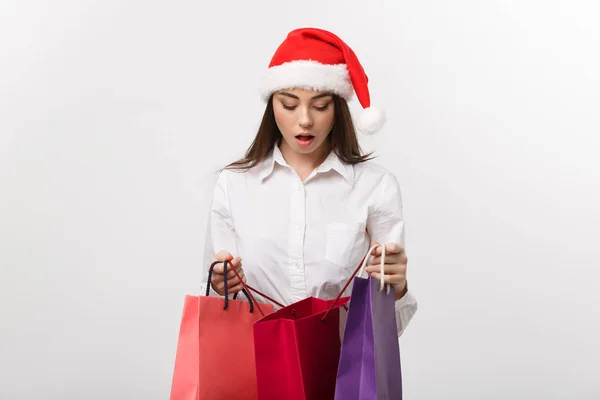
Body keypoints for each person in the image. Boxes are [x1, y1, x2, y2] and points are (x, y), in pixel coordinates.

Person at [200, 27, 417, 336]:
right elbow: (215, 312)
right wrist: (221, 286)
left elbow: (387, 332)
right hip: (256, 372)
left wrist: (397, 288)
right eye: (289, 105)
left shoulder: (375, 187)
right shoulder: (234, 184)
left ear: (338, 108)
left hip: (342, 376)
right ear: (272, 105)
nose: (305, 119)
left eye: (320, 106)